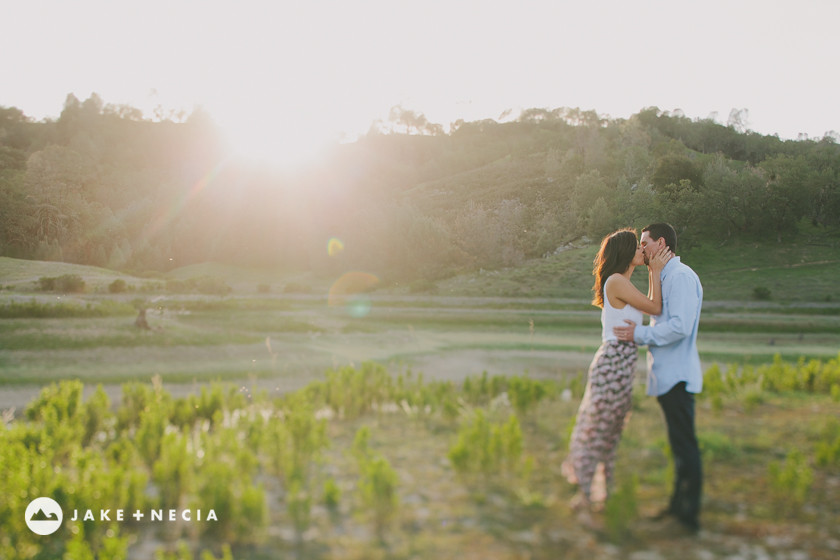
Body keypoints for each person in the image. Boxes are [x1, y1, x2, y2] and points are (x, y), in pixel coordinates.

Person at [562, 228, 672, 511]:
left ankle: (599, 496)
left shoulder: (622, 283)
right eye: (637, 247)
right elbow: (656, 308)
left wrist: (652, 273)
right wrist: (656, 271)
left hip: (621, 364)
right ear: (625, 252)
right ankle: (584, 497)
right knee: (598, 430)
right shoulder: (616, 281)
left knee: (610, 432)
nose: (641, 251)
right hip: (613, 363)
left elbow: (648, 308)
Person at [613, 222, 704, 534]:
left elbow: (679, 326)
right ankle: (678, 507)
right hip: (668, 375)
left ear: (660, 242)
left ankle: (688, 515)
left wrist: (638, 334)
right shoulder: (666, 277)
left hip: (678, 374)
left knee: (685, 445)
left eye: (644, 242)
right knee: (679, 445)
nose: (642, 249)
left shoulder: (679, 277)